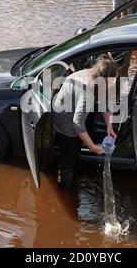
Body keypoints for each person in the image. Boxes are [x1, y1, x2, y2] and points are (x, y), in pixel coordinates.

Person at [52, 56, 119, 189]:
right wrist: (92, 147)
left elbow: (106, 101)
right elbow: (77, 124)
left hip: (75, 106)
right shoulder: (87, 90)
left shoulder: (98, 75)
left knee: (79, 140)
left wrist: (109, 126)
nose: (111, 85)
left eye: (113, 82)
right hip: (65, 118)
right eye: (108, 83)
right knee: (70, 154)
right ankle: (64, 185)